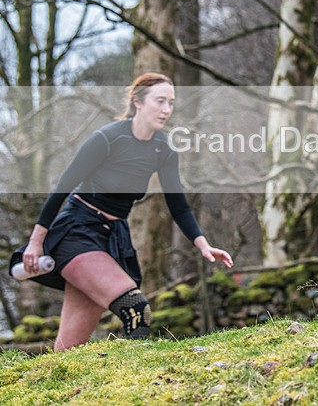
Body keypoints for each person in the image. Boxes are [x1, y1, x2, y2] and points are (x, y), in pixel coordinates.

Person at [12, 73, 233, 350]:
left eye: (171, 103)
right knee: (136, 308)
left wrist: (203, 245)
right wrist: (36, 241)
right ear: (138, 101)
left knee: (69, 348)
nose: (166, 110)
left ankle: (54, 378)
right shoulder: (108, 138)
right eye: (160, 101)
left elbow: (178, 205)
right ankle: (139, 373)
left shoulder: (163, 149)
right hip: (77, 232)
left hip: (112, 238)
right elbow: (62, 187)